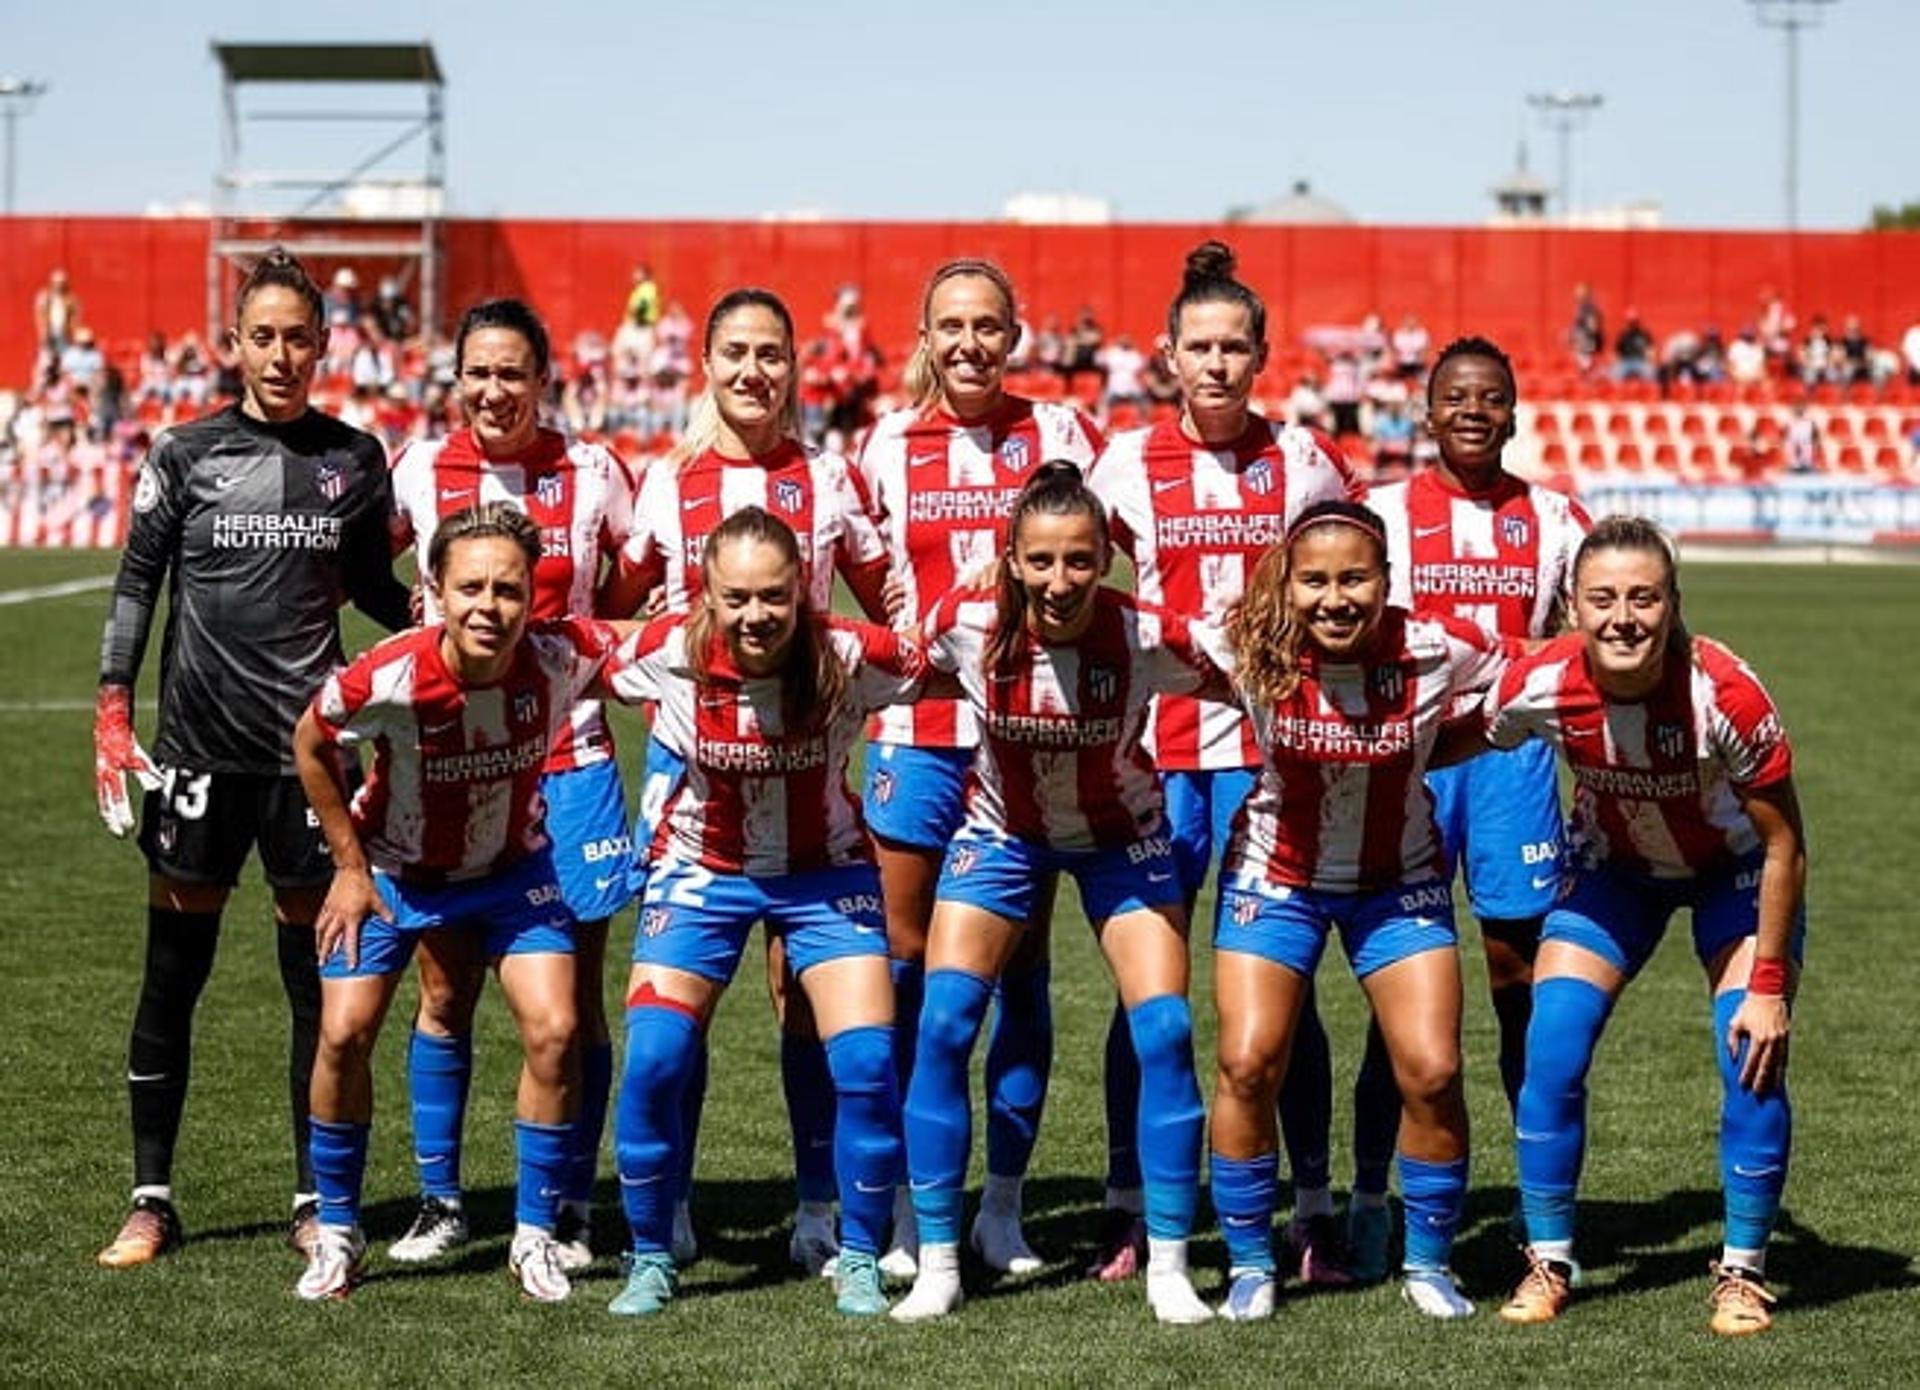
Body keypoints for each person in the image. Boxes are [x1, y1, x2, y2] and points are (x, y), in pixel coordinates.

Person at [92, 248, 411, 1268]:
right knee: (171, 977)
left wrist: (447, 628)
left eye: (297, 336)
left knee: (312, 990)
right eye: (261, 335)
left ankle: (315, 1196)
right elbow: (139, 583)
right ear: (234, 344)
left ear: (323, 344)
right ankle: (151, 1197)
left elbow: (374, 586)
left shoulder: (356, 458)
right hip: (197, 755)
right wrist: (110, 705)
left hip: (309, 765)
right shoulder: (184, 453)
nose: (280, 353)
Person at [1088, 240, 1363, 1284]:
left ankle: (1312, 1210)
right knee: (1147, 998)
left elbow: (1348, 588)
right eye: (1197, 346)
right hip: (1154, 760)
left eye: (1234, 346)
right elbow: (1069, 568)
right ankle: (1130, 1207)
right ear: (1166, 355)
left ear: (1262, 356)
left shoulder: (1302, 463)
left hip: (1274, 757)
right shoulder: (1125, 463)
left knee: (1285, 995)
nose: (1215, 364)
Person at [891, 462, 1219, 1326]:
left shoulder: (1150, 634)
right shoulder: (965, 623)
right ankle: (938, 1262)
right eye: (1040, 561)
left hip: (1123, 840)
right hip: (1002, 836)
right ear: (1010, 559)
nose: (1060, 581)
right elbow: (888, 672)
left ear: (1107, 557)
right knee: (944, 1022)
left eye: (1079, 560)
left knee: (1168, 1027)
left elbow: (1252, 677)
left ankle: (1171, 1265)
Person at [604, 286, 890, 1274]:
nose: (752, 371)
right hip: (695, 771)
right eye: (735, 352)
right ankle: (669, 1206)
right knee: (680, 1003)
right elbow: (617, 606)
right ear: (707, 364)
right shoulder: (665, 483)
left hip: (807, 764)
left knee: (803, 996)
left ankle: (819, 1210)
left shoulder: (830, 477)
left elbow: (885, 594)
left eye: (771, 352)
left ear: (794, 365)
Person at [603, 506, 924, 1319]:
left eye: (775, 598)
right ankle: (650, 1259)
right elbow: (556, 649)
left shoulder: (853, 655)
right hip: (702, 872)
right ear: (705, 595)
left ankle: (857, 1254)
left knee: (865, 1065)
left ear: (805, 594)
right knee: (654, 1063)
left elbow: (957, 659)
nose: (755, 617)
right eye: (736, 597)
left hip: (824, 874)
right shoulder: (664, 650)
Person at [291, 503, 617, 1301]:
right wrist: (347, 865)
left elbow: (659, 634)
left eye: (509, 589)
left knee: (557, 1026)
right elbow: (310, 741)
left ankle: (533, 1236)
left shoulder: (557, 654)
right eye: (470, 587)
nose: (489, 607)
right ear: (433, 588)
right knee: (342, 1033)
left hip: (511, 872)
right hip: (396, 873)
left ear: (534, 596)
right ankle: (337, 1231)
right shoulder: (388, 676)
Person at [1488, 516, 1805, 1336]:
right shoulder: (1539, 683)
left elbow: (1784, 845)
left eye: (1643, 597)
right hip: (1614, 872)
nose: (1623, 616)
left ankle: (1742, 1272)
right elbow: (1463, 735)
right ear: (1572, 607)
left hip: (1732, 874)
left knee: (1750, 1053)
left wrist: (1768, 987)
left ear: (1672, 604)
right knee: (1550, 1043)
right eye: (1602, 599)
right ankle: (1550, 1259)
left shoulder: (1722, 693)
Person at [857, 257, 1105, 1279]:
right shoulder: (881, 444)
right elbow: (863, 584)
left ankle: (1002, 1206)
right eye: (951, 326)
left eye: (988, 326)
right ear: (925, 333)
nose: (970, 343)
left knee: (1021, 972)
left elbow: (1119, 552)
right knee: (912, 973)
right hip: (917, 744)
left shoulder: (1060, 435)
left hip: (1029, 740)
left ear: (1015, 333)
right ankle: (922, 1208)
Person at [383, 297, 641, 1271]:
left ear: (544, 379)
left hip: (569, 760)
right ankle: (441, 1199)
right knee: (444, 989)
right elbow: (369, 567)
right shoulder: (416, 467)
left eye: (514, 373)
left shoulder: (595, 471)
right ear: (458, 381)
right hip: (448, 761)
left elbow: (626, 592)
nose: (496, 391)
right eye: (478, 373)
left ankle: (570, 1202)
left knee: (570, 998)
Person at [1206, 498, 1510, 1322]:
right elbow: (1125, 635)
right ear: (1287, 584)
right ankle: (1247, 1263)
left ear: (1386, 581)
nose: (1334, 598)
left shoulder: (1440, 645)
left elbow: (1528, 681)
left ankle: (1429, 1262)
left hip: (1398, 879)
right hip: (1277, 877)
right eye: (1314, 581)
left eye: (1354, 579)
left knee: (1434, 1070)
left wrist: (1432, 749)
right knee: (1245, 1062)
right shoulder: (1244, 643)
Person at [1359, 336, 1590, 1279]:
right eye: (1454, 396)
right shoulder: (1378, 515)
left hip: (1510, 767)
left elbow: (1588, 641)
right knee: (1399, 985)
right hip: (1408, 760)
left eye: (1489, 397)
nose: (1471, 410)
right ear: (1426, 410)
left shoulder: (1555, 518)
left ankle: (1542, 1213)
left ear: (1514, 413)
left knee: (1514, 981)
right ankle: (1375, 1198)